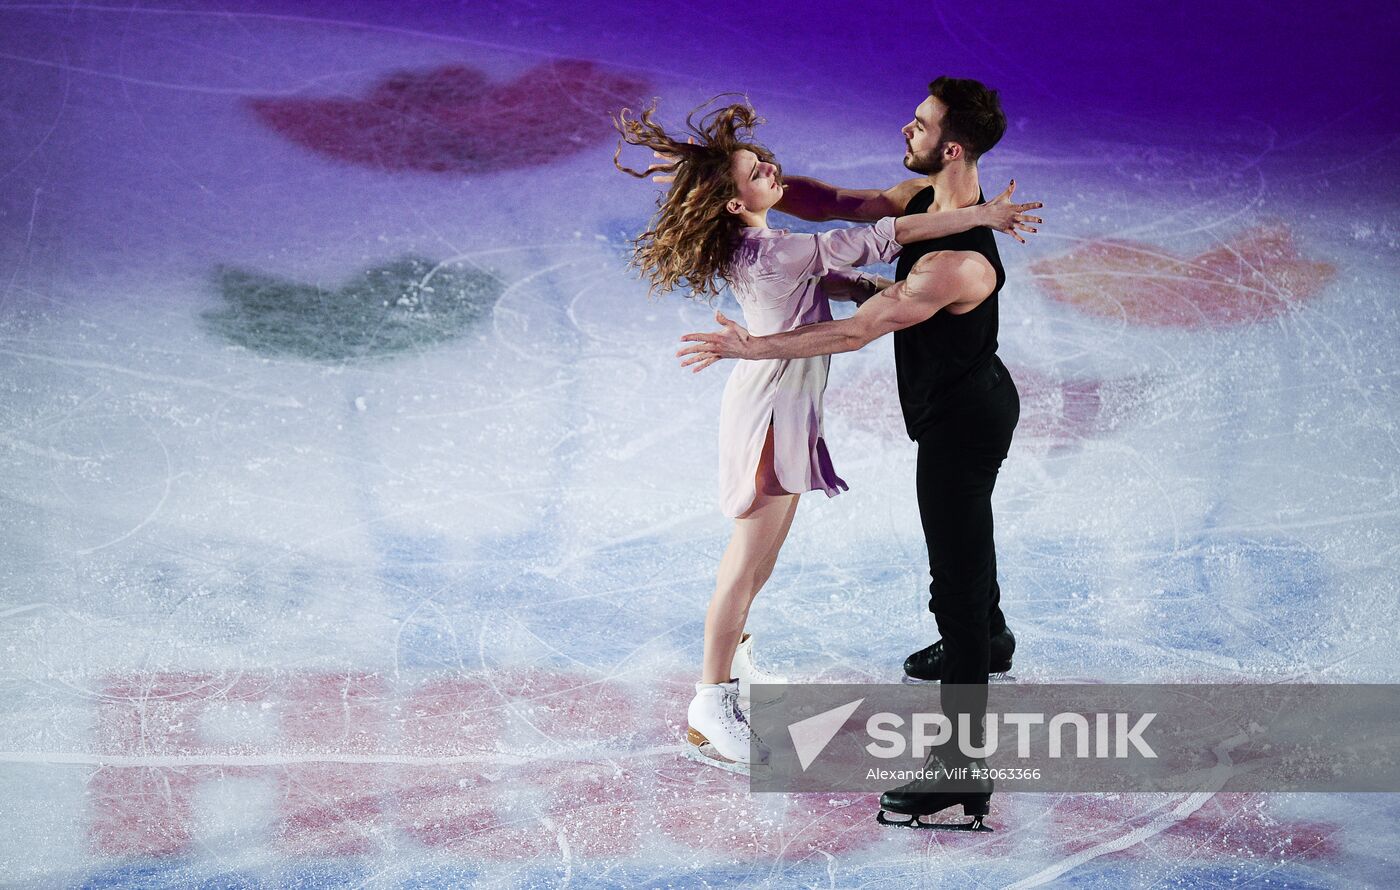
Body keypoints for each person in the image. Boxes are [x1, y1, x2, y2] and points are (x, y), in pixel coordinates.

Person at [615, 96, 1040, 776]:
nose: (773, 169)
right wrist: (985, 215)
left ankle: (736, 659)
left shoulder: (760, 245)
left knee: (764, 555)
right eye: (757, 171)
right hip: (769, 410)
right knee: (743, 560)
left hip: (791, 405)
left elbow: (832, 280)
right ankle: (709, 699)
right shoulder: (778, 250)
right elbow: (887, 236)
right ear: (734, 203)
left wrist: (862, 286)